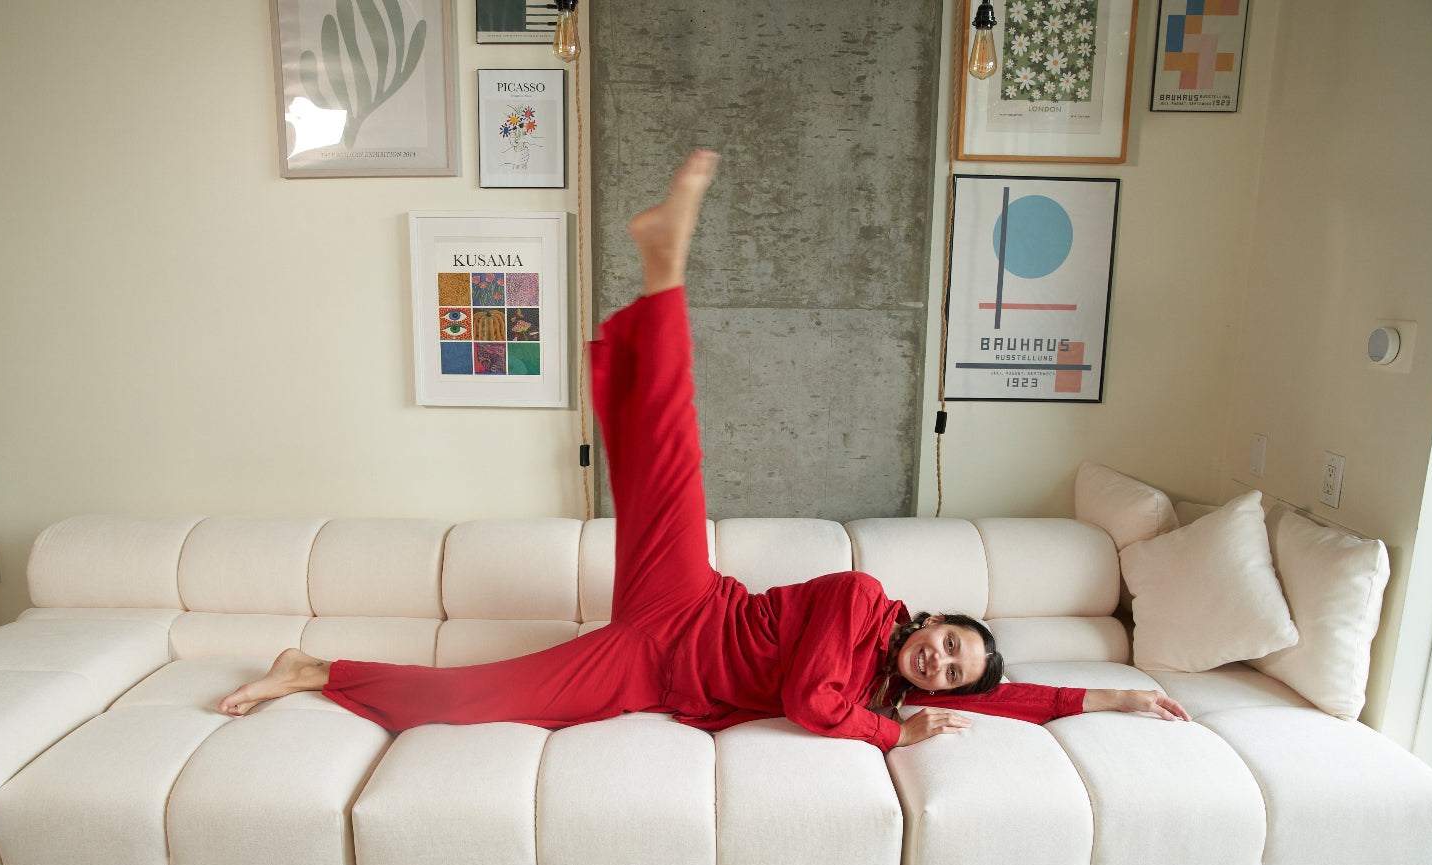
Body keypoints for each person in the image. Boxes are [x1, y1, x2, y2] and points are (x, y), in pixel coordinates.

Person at [219, 151, 1189, 748]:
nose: (940, 665)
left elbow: (1009, 698)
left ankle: (314, 669)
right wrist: (894, 732)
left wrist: (1109, 700)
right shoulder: (860, 601)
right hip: (689, 600)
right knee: (666, 454)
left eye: (949, 672)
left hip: (651, 665)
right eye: (949, 646)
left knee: (473, 703)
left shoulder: (896, 686)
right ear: (932, 618)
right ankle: (664, 266)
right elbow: (808, 700)